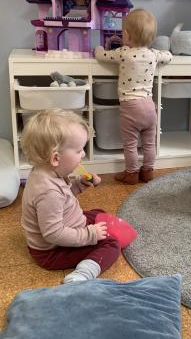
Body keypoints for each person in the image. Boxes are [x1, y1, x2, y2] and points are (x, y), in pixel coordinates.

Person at [20, 109, 120, 284]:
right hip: (52, 251)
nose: (83, 154)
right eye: (79, 150)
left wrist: (79, 184)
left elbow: (63, 198)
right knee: (111, 244)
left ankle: (88, 230)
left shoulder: (47, 172)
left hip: (65, 227)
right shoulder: (48, 193)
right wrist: (89, 235)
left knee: (97, 213)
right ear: (56, 158)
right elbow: (54, 234)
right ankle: (82, 274)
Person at [94, 9, 172, 185]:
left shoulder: (123, 53)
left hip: (131, 107)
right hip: (149, 107)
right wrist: (165, 53)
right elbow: (168, 56)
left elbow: (101, 55)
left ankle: (131, 174)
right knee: (149, 144)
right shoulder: (153, 54)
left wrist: (98, 48)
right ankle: (148, 171)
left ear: (127, 35)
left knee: (130, 144)